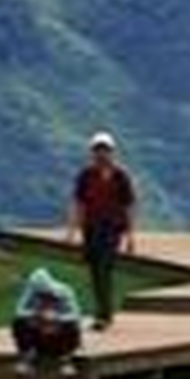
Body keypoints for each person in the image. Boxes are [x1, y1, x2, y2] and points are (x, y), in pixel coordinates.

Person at [67, 130, 136, 329]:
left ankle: (104, 314)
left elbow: (128, 205)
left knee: (104, 267)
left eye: (105, 150)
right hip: (91, 227)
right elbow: (79, 203)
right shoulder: (86, 175)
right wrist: (73, 231)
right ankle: (102, 311)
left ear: (112, 152)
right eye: (97, 150)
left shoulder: (121, 176)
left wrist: (130, 236)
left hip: (112, 227)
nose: (101, 153)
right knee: (95, 270)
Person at [11, 266, 85, 376]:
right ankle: (27, 357)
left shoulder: (65, 291)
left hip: (59, 331)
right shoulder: (30, 292)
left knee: (72, 325)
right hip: (39, 329)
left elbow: (75, 315)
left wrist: (57, 317)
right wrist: (36, 314)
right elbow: (19, 311)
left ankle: (66, 360)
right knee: (19, 323)